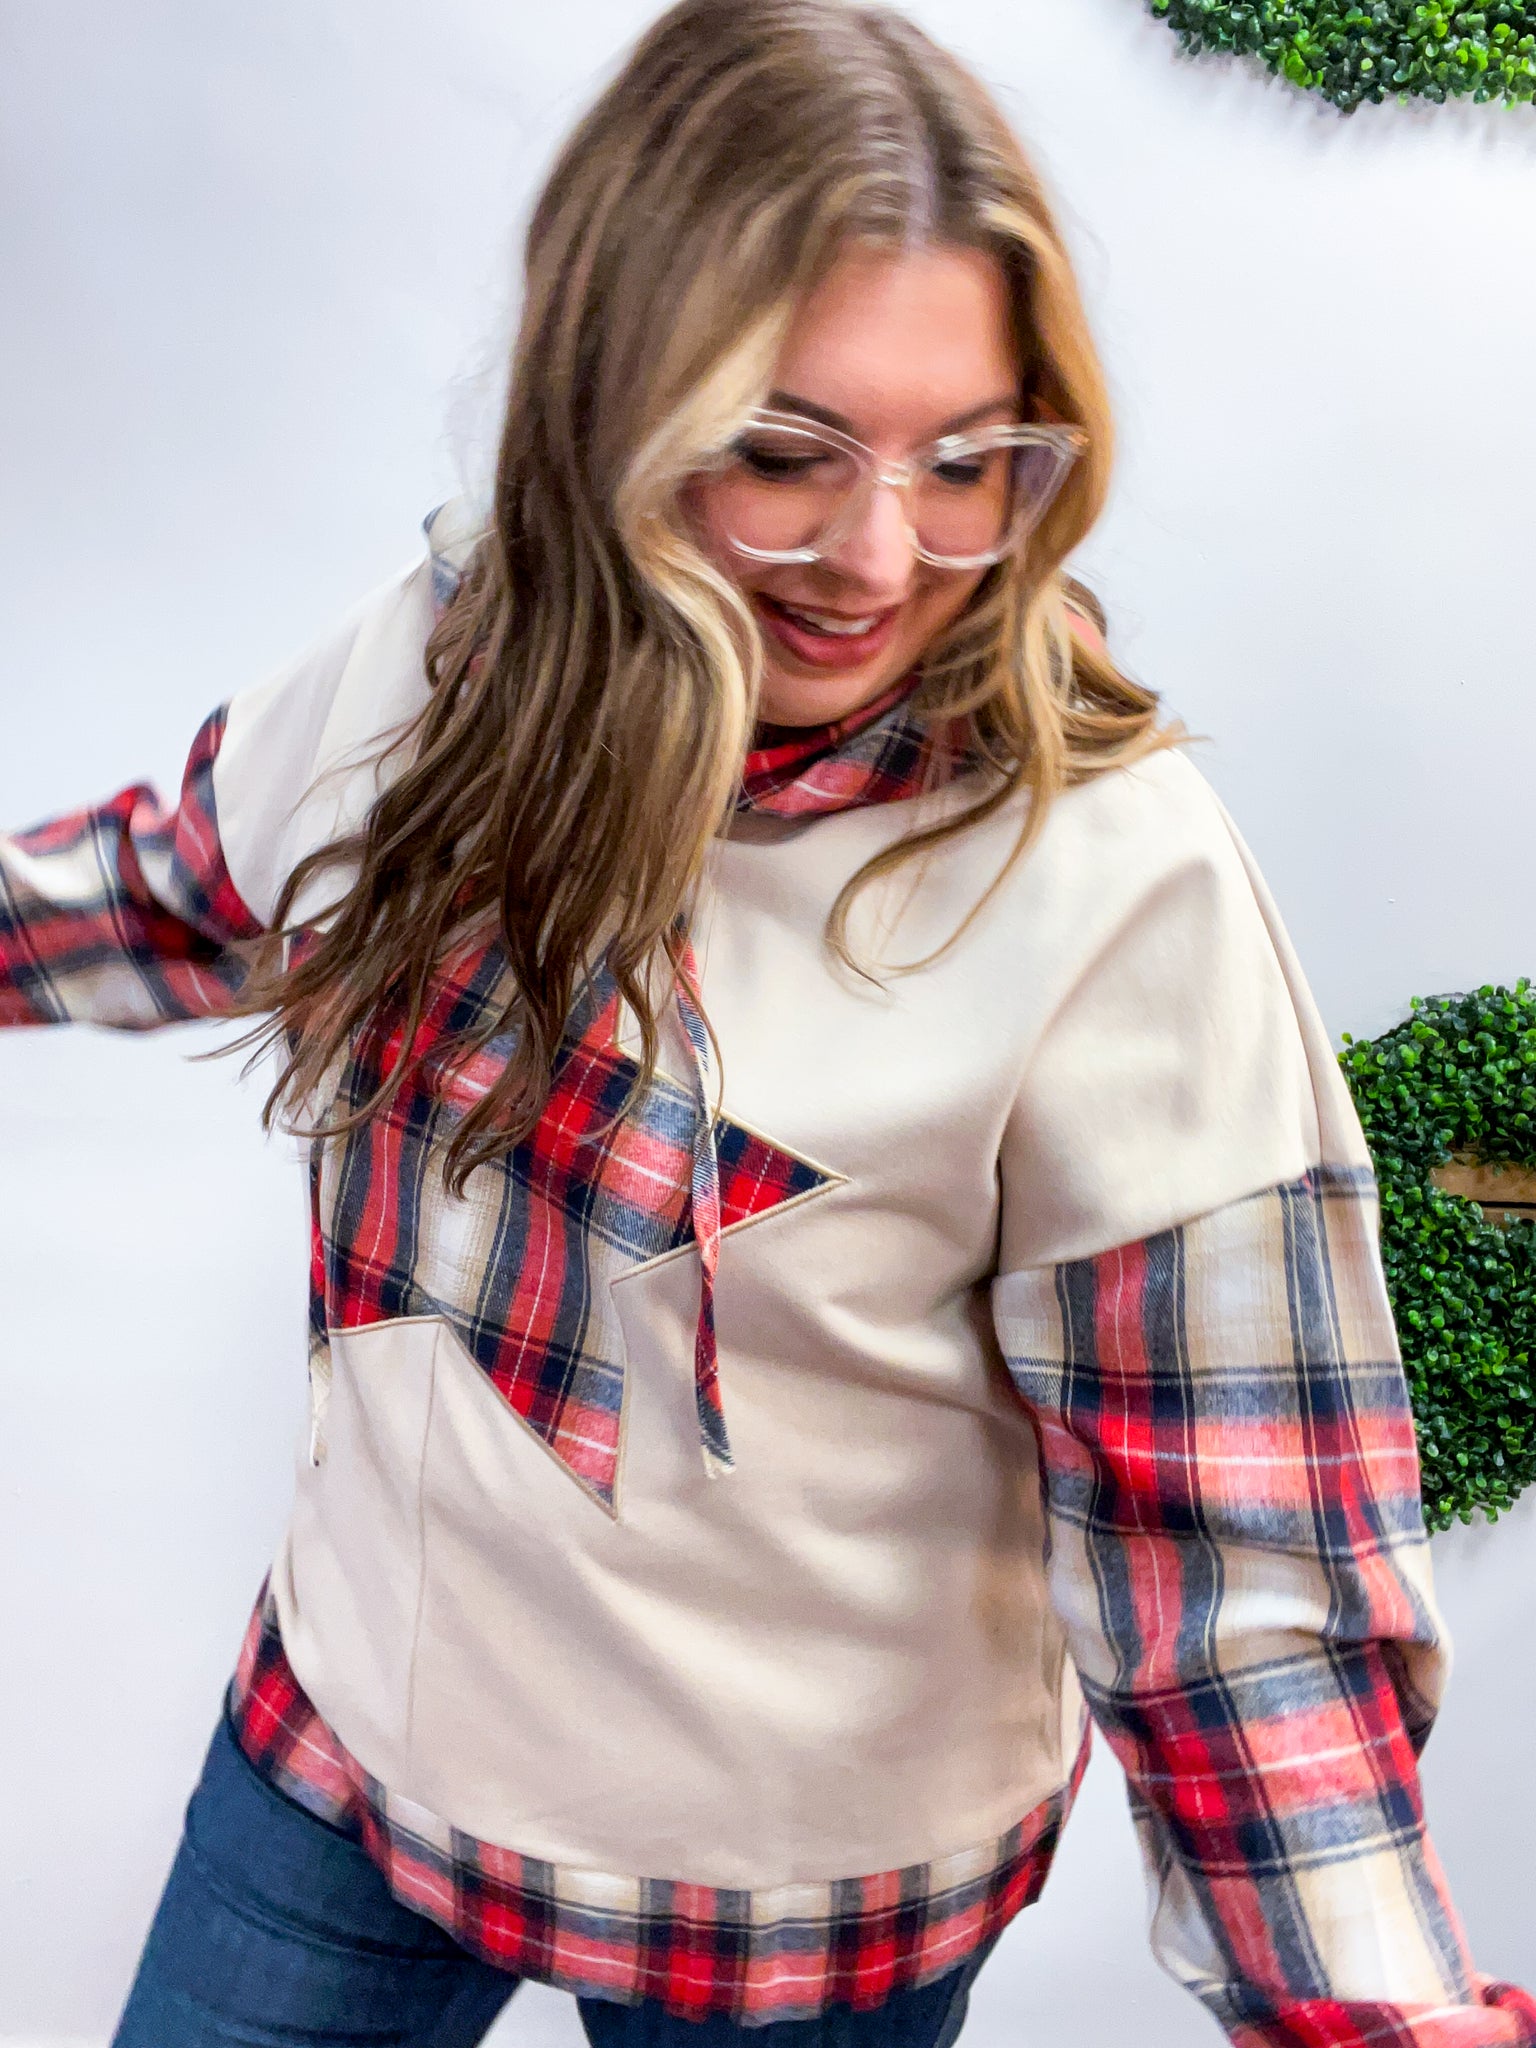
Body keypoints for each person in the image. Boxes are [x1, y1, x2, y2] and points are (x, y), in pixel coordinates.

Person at [2, 4, 1531, 2045]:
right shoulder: (451, 662)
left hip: (794, 1926)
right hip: (346, 1760)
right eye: (787, 454)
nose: (880, 558)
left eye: (965, 464)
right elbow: (189, 881)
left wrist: (1379, 2014)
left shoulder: (1116, 883)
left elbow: (1243, 1566)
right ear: (614, 403)